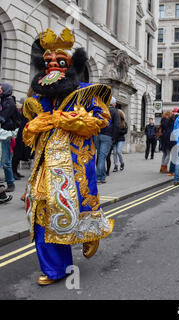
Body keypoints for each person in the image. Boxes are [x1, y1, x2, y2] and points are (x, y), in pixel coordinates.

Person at [22, 28, 114, 285]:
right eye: (49, 62)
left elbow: (101, 120)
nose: (53, 67)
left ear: (71, 66)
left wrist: (69, 120)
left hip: (75, 167)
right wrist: (34, 125)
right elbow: (29, 130)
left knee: (75, 209)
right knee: (42, 215)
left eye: (60, 62)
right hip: (44, 167)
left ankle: (88, 233)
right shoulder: (39, 97)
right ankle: (55, 269)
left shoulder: (86, 92)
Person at [0, 82, 20, 192]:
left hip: (5, 133)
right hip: (2, 132)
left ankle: (10, 183)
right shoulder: (3, 100)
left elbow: (2, 117)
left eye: (1, 88)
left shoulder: (9, 102)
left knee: (6, 161)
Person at [96, 97, 120, 183]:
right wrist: (114, 138)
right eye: (115, 102)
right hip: (107, 136)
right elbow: (117, 126)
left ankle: (102, 177)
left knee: (100, 156)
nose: (116, 104)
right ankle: (98, 177)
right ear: (113, 103)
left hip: (98, 135)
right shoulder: (115, 111)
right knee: (102, 157)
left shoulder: (101, 109)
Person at [12, 98, 32, 180]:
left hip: (23, 130)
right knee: (17, 153)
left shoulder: (24, 110)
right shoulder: (25, 110)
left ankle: (15, 171)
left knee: (19, 153)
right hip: (21, 131)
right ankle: (13, 172)